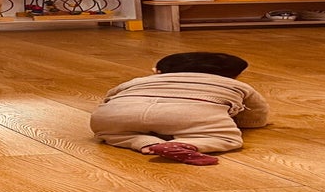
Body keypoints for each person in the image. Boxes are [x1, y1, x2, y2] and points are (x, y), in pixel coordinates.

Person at [89, 52, 269, 166]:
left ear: (156, 71)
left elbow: (110, 96)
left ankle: (147, 143)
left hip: (117, 114)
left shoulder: (138, 81)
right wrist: (245, 123)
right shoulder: (236, 85)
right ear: (235, 76)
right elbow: (256, 112)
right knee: (227, 138)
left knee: (111, 133)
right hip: (187, 115)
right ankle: (190, 144)